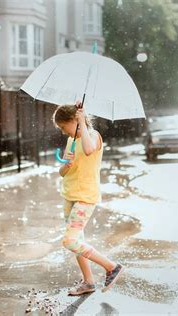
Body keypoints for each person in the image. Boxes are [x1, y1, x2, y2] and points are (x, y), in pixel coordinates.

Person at [52, 101, 124, 296]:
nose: (62, 131)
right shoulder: (71, 140)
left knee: (69, 241)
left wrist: (82, 121)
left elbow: (90, 149)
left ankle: (111, 266)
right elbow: (63, 172)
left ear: (73, 120)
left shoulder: (93, 136)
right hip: (69, 195)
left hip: (85, 196)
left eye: (63, 126)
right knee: (78, 240)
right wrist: (67, 164)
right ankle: (88, 282)